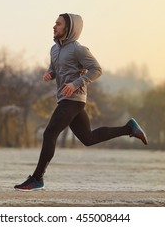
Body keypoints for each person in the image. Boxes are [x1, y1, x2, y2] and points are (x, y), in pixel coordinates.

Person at [14, 13, 148, 191]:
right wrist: (50, 73)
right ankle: (129, 128)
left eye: (58, 24)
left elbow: (97, 70)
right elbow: (55, 68)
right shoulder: (54, 49)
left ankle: (37, 178)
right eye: (55, 23)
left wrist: (76, 83)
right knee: (88, 138)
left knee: (49, 134)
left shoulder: (79, 49)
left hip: (74, 99)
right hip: (65, 98)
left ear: (69, 28)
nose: (54, 26)